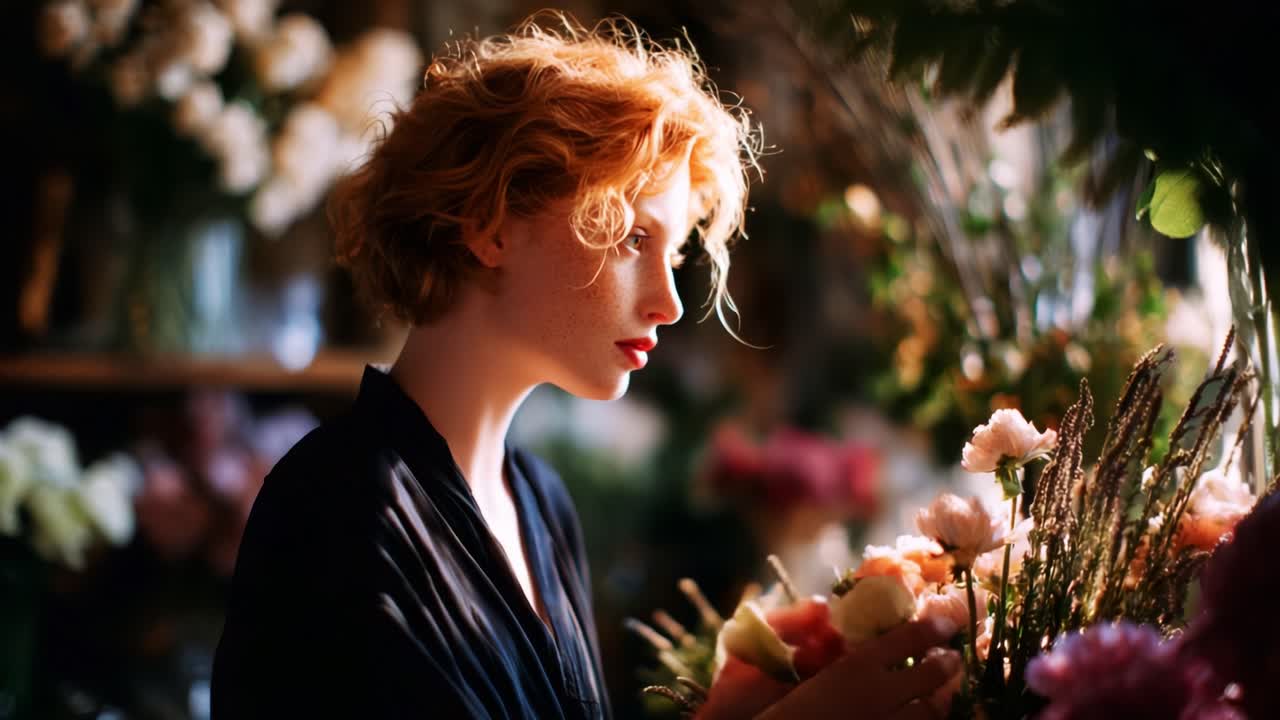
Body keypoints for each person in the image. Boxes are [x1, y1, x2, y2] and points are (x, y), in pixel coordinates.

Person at [210, 11, 962, 719]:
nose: (670, 301)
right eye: (634, 237)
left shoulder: (539, 501)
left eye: (674, 254)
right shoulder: (335, 510)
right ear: (490, 225)